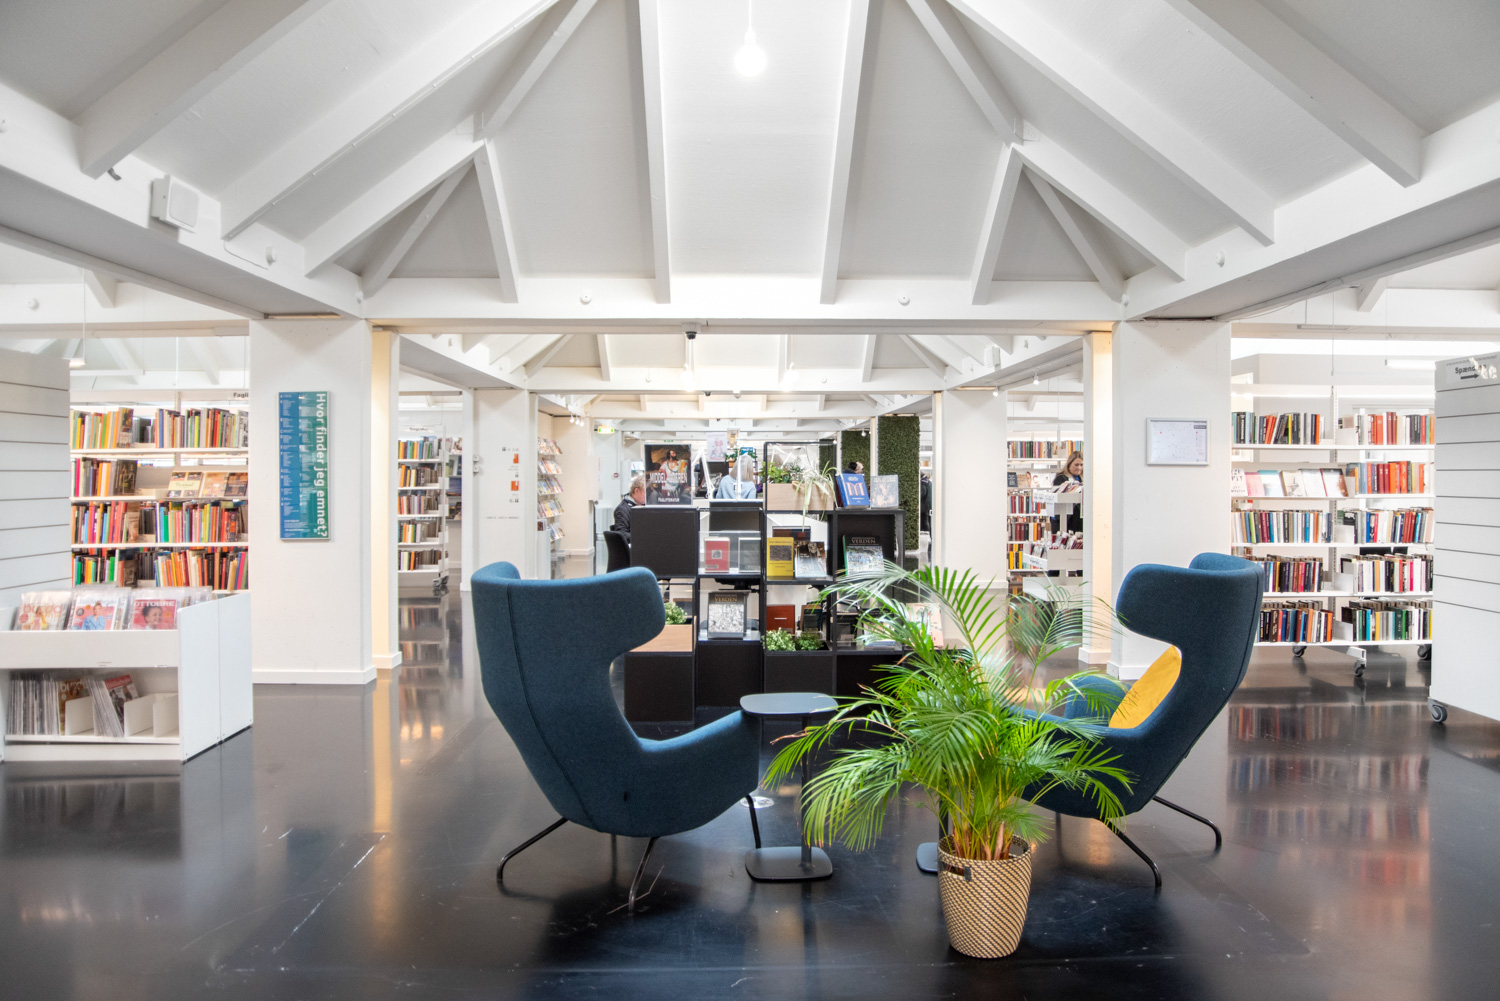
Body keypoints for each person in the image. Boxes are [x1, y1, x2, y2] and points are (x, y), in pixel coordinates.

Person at [1052, 451, 1084, 534]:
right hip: (1065, 520)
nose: (1079, 468)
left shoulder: (1083, 478)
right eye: (1076, 465)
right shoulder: (1061, 478)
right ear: (1069, 464)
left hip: (1079, 520)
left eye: (1081, 465)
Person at [612, 474, 646, 545]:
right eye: (645, 492)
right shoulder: (622, 510)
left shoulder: (645, 506)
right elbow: (622, 534)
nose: (648, 496)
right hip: (633, 547)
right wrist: (642, 538)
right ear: (636, 491)